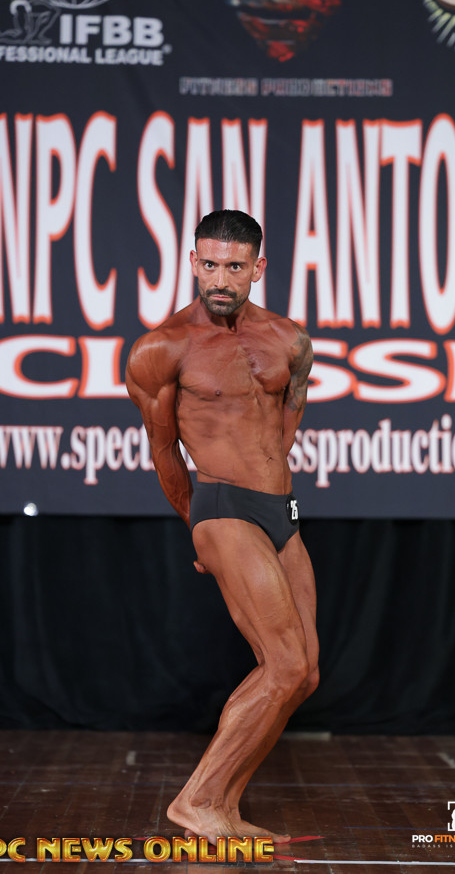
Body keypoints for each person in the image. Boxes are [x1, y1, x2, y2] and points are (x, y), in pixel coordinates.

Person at [126, 209, 319, 845]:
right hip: (221, 506)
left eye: (234, 267)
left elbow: (285, 427)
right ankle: (197, 800)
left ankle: (226, 808)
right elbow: (163, 454)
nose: (219, 279)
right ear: (192, 262)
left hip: (280, 512)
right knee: (284, 665)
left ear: (257, 268)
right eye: (208, 264)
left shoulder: (290, 341)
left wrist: (272, 500)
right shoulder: (162, 348)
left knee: (300, 674)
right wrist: (199, 527)